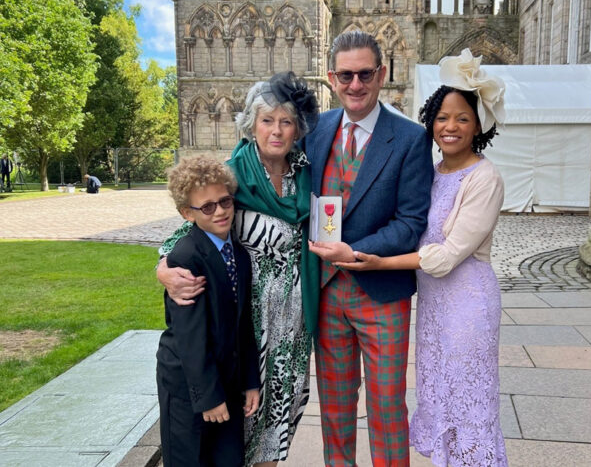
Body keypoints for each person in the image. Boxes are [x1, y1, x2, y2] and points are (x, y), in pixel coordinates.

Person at [337, 48, 508, 466]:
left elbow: (446, 257)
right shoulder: (432, 172)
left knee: (468, 399)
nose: (450, 126)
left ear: (478, 125)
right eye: (442, 117)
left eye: (462, 118)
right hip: (434, 307)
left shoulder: (484, 178)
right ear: (431, 120)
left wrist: (378, 262)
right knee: (440, 394)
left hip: (467, 304)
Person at [158, 71, 320, 467]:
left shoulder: (305, 173)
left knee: (278, 421)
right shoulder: (234, 174)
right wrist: (163, 267)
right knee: (242, 426)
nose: (277, 131)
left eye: (286, 121)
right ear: (252, 125)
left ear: (298, 128)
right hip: (248, 325)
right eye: (267, 120)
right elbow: (186, 231)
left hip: (291, 324)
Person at [305, 30, 434, 467]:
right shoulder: (316, 130)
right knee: (335, 409)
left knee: (386, 408)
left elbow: (412, 222)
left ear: (381, 75)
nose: (355, 85)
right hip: (326, 294)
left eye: (364, 74)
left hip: (381, 293)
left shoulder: (411, 138)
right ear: (331, 78)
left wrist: (354, 251)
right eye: (346, 75)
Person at [156, 155, 260, 467]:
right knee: (191, 459)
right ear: (187, 213)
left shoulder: (238, 255)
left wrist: (250, 381)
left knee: (229, 459)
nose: (220, 212)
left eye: (225, 202)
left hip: (228, 380)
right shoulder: (186, 258)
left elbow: (243, 324)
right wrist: (208, 397)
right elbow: (190, 336)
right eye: (207, 207)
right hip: (190, 386)